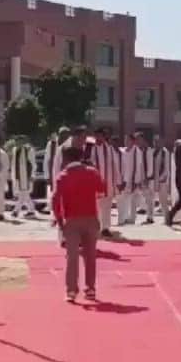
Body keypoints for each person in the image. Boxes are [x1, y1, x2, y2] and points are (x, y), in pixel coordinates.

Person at [52, 146, 107, 303]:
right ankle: (90, 288)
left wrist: (59, 219)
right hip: (90, 217)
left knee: (72, 256)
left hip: (72, 220)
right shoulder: (92, 173)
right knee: (90, 255)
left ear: (66, 159)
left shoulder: (63, 176)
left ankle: (71, 290)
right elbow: (102, 188)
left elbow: (55, 200)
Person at [87, 127, 123, 236]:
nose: (99, 138)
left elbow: (115, 165)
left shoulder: (110, 149)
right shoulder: (90, 149)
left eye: (101, 136)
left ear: (104, 137)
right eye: (97, 136)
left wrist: (119, 181)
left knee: (107, 206)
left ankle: (105, 228)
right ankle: (95, 228)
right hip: (94, 182)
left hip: (108, 182)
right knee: (95, 207)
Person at [119, 131, 153, 225]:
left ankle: (150, 217)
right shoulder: (132, 150)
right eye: (136, 139)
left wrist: (147, 177)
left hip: (144, 178)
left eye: (139, 139)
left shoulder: (147, 150)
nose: (138, 141)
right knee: (133, 198)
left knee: (148, 198)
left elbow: (148, 165)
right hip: (136, 178)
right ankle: (131, 218)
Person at [10, 134, 38, 218]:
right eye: (17, 141)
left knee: (23, 192)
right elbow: (13, 163)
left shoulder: (29, 150)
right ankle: (31, 210)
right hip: (18, 175)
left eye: (20, 141)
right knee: (23, 193)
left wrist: (33, 174)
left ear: (23, 141)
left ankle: (16, 210)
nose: (18, 142)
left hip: (26, 175)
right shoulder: (15, 150)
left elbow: (33, 163)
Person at [44, 126, 71, 197]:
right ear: (59, 135)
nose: (65, 137)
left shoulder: (69, 144)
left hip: (66, 173)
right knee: (54, 193)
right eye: (63, 134)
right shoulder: (51, 144)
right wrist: (47, 176)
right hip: (54, 173)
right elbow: (47, 160)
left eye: (67, 135)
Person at [151, 134, 172, 221]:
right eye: (154, 141)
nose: (156, 143)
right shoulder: (154, 152)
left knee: (163, 199)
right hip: (154, 178)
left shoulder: (165, 152)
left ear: (162, 142)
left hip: (163, 178)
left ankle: (167, 218)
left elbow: (166, 167)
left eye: (158, 141)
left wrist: (161, 178)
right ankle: (151, 217)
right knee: (153, 198)